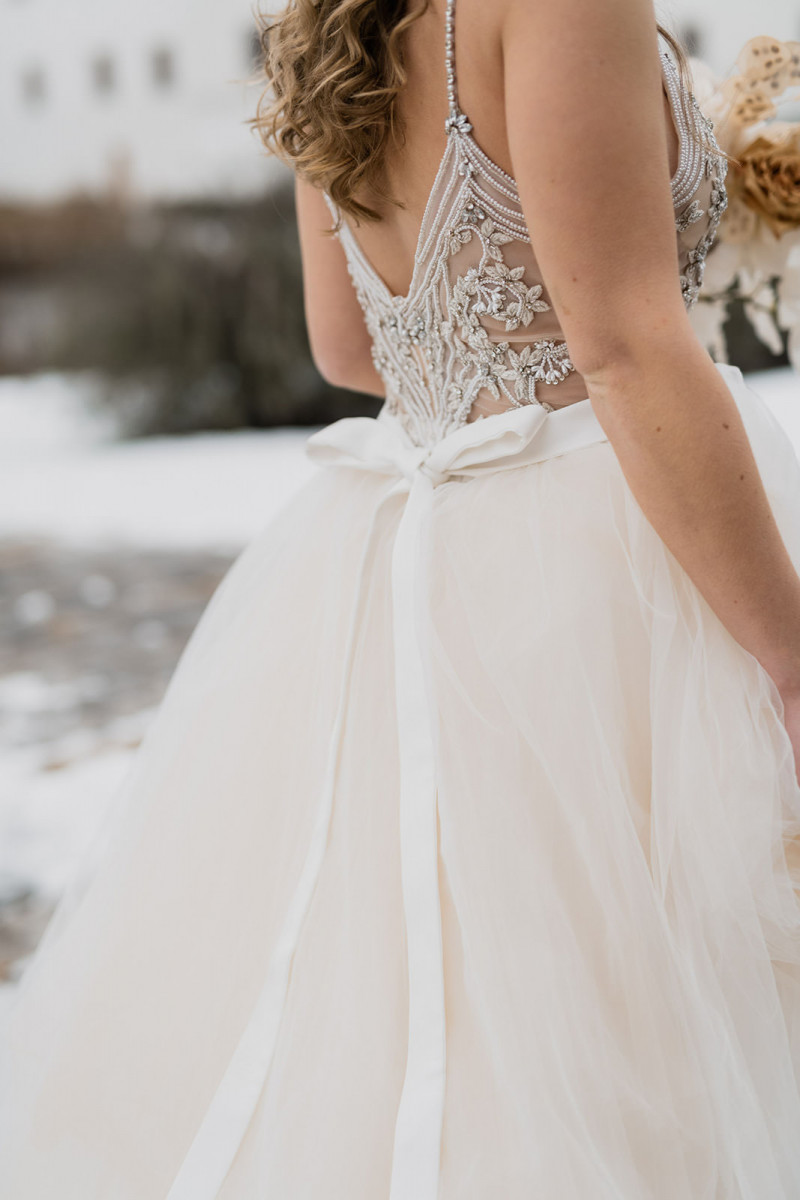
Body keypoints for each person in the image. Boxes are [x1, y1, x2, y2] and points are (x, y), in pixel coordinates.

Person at [3, 0, 800, 1194]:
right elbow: (623, 345)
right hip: (598, 562)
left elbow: (346, 346)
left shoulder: (330, 16)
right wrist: (786, 655)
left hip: (402, 557)